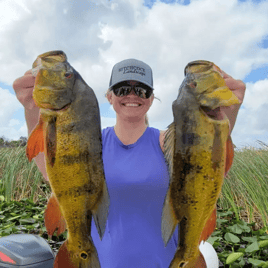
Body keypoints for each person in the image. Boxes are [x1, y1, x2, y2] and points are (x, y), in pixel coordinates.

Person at [13, 58, 246, 268]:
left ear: (152, 98)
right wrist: (32, 110)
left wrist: (228, 111)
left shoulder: (169, 142)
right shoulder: (89, 142)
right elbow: (50, 169)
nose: (132, 95)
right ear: (109, 97)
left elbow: (209, 161)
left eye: (142, 90)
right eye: (123, 88)